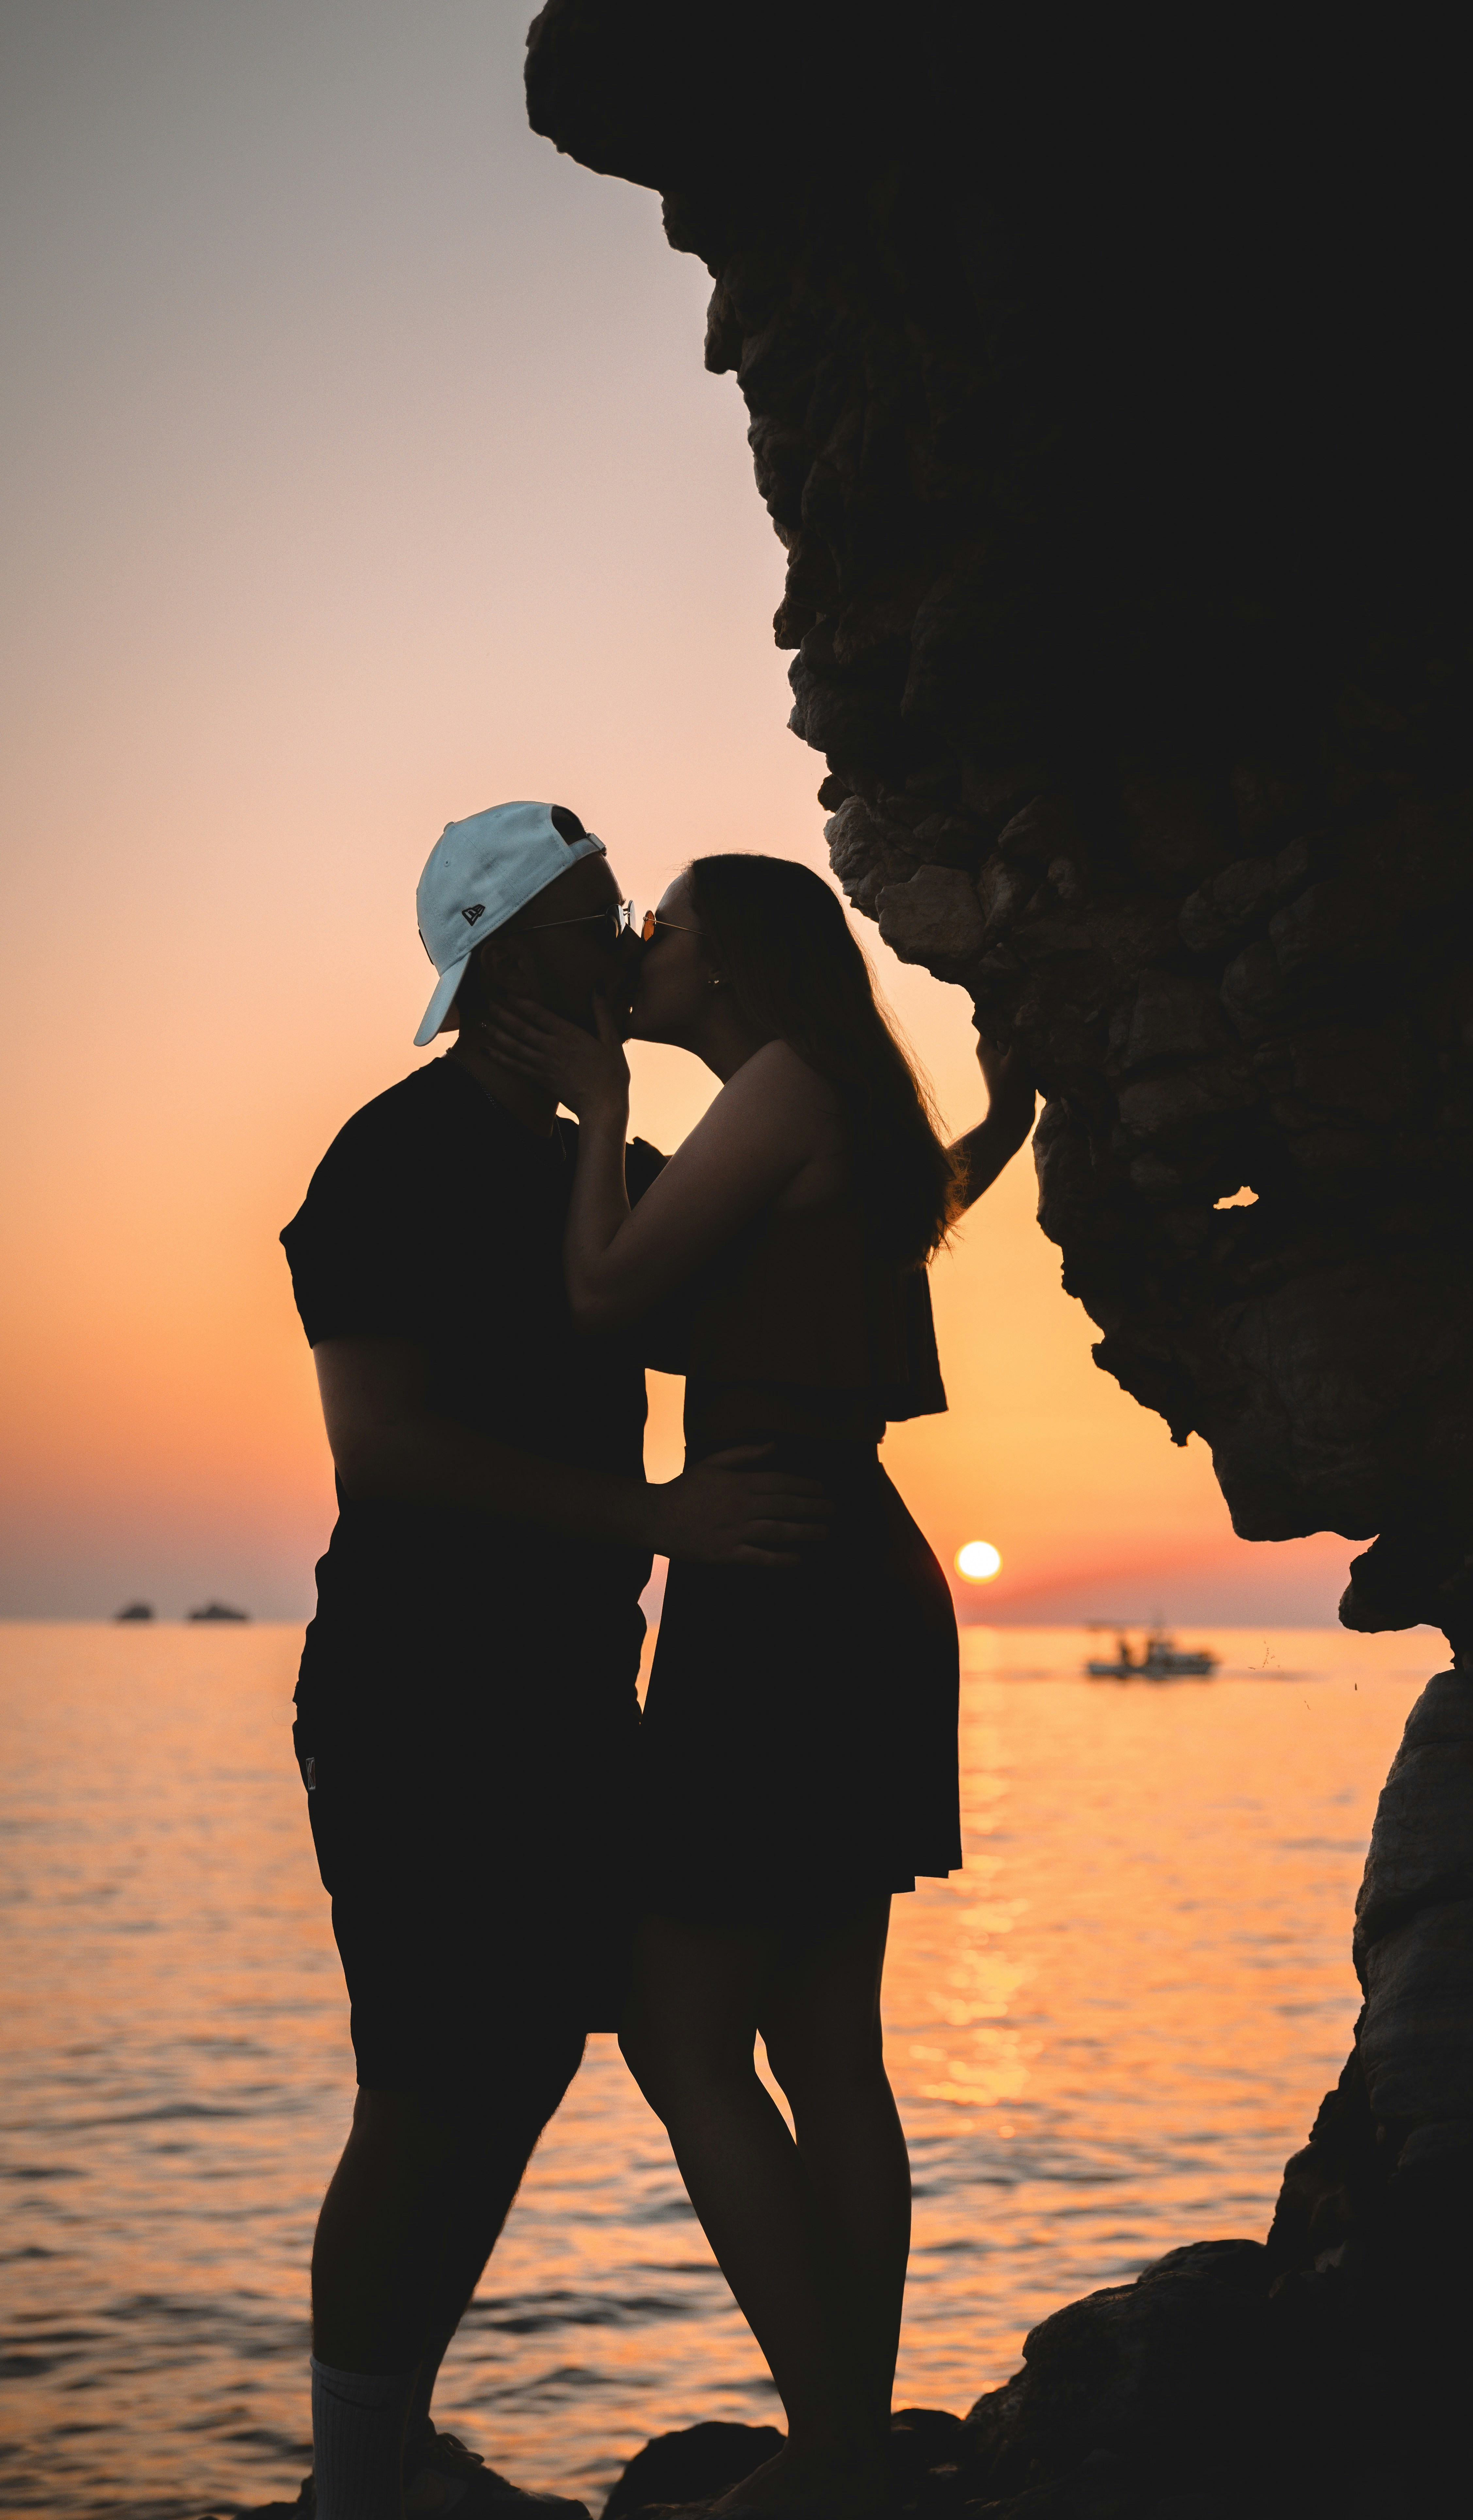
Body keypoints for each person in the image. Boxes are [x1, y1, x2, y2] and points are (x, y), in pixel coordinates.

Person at [279, 804, 830, 2520]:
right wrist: (653, 1518)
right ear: (512, 956)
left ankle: (392, 2448)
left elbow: (797, 1242)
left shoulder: (604, 1164)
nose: (632, 941)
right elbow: (382, 1444)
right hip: (417, 1704)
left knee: (515, 2070)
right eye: (602, 917)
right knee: (426, 2089)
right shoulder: (391, 1161)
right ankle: (353, 2485)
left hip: (576, 1698)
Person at [481, 852, 1036, 2519]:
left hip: (778, 1574)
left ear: (729, 963)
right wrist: (1003, 1123)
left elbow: (604, 1291)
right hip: (836, 1559)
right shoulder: (814, 1098)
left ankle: (835, 2447)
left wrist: (596, 1108)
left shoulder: (781, 1084)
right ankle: (843, 2443)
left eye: (664, 927)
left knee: (684, 2023)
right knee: (821, 2035)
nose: (638, 946)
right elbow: (881, 1224)